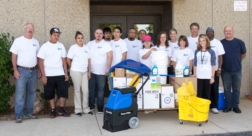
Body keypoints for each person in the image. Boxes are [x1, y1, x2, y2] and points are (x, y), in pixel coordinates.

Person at [10, 23, 40, 123]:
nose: (30, 30)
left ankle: (28, 113)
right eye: (28, 28)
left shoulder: (36, 42)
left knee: (31, 93)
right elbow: (13, 56)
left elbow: (38, 58)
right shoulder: (18, 41)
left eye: (32, 28)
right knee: (20, 94)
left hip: (34, 71)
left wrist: (39, 70)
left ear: (34, 30)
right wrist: (15, 70)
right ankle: (18, 115)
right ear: (24, 29)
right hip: (21, 71)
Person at [37, 27, 70, 118]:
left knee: (63, 92)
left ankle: (61, 110)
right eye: (54, 35)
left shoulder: (61, 46)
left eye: (58, 35)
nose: (56, 37)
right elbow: (40, 61)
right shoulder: (45, 46)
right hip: (48, 74)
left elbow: (64, 61)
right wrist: (43, 76)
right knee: (50, 93)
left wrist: (66, 73)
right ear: (50, 35)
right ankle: (52, 110)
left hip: (60, 73)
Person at [221, 26, 246, 113]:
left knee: (236, 89)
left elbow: (243, 54)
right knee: (227, 89)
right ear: (224, 32)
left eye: (230, 31)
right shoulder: (221, 43)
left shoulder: (240, 42)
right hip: (225, 70)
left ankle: (235, 106)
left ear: (233, 31)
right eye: (226, 31)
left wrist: (237, 61)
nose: (228, 32)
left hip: (237, 70)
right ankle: (228, 106)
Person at [67, 31, 93, 116]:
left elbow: (89, 60)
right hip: (76, 71)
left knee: (85, 90)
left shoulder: (86, 48)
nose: (80, 39)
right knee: (77, 90)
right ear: (76, 39)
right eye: (78, 38)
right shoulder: (73, 48)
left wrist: (89, 72)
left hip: (85, 72)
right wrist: (72, 67)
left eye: (81, 38)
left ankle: (86, 108)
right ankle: (78, 109)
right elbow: (68, 59)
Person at [87, 29, 112, 113]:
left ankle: (100, 107)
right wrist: (88, 70)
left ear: (103, 35)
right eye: (97, 33)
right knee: (91, 89)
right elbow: (86, 57)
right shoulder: (89, 44)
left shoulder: (106, 44)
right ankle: (91, 106)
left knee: (101, 90)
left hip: (102, 71)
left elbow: (110, 57)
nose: (99, 35)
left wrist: (107, 68)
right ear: (94, 34)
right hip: (91, 71)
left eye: (100, 33)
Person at [206, 27, 225, 114]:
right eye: (208, 32)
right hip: (204, 71)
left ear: (213, 33)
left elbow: (220, 56)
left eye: (211, 32)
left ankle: (214, 106)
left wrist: (219, 68)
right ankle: (206, 106)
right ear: (206, 33)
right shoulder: (203, 42)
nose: (209, 33)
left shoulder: (218, 43)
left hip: (215, 70)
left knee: (214, 88)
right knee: (206, 89)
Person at [193, 34, 216, 100]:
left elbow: (213, 65)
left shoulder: (211, 52)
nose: (202, 42)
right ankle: (199, 109)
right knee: (199, 93)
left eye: (203, 40)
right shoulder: (197, 51)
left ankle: (205, 109)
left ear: (206, 41)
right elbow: (195, 64)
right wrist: (195, 74)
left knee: (207, 93)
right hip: (199, 76)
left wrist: (212, 77)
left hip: (207, 76)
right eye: (200, 41)